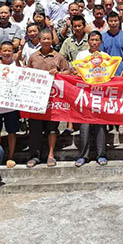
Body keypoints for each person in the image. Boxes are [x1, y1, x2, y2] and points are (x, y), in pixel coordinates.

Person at [26, 29, 70, 168]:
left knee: (52, 129)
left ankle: (51, 155)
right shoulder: (33, 57)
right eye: (43, 38)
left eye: (48, 38)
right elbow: (26, 73)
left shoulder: (59, 57)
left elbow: (68, 72)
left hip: (53, 100)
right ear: (39, 40)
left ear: (52, 40)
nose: (46, 41)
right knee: (35, 129)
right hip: (35, 99)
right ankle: (34, 156)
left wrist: (58, 73)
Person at [74, 31, 109, 168]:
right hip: (84, 95)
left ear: (101, 42)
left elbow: (109, 76)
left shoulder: (105, 57)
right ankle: (83, 155)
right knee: (84, 126)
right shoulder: (81, 55)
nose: (94, 42)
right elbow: (76, 71)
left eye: (97, 40)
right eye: (92, 40)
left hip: (100, 96)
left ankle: (101, 155)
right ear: (88, 41)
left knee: (100, 125)